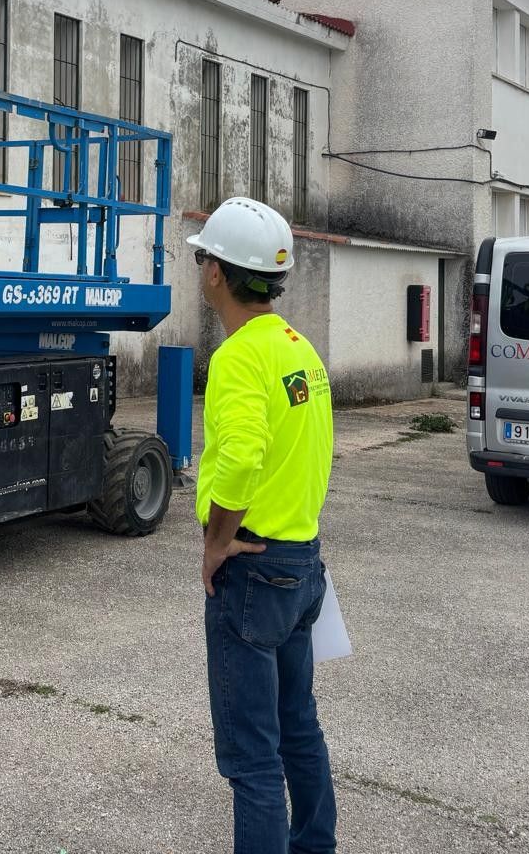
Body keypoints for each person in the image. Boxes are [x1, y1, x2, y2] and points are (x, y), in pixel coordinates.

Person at [189, 196, 337, 854]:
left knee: (251, 760)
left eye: (203, 257)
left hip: (252, 569)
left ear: (219, 273)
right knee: (297, 726)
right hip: (302, 561)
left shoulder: (239, 357)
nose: (199, 268)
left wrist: (218, 539)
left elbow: (244, 457)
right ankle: (314, 845)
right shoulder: (297, 348)